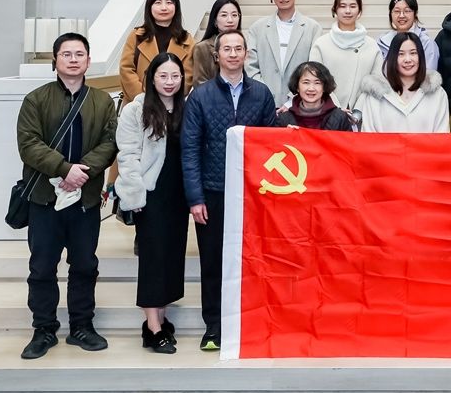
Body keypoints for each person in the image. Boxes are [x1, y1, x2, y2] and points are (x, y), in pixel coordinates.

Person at [16, 32, 118, 360]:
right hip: (45, 199)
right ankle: (43, 329)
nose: (73, 60)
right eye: (66, 54)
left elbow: (110, 143)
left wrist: (81, 172)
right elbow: (28, 144)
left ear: (88, 60)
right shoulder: (36, 99)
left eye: (79, 54)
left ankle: (81, 326)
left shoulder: (102, 102)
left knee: (85, 264)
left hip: (85, 199)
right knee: (42, 266)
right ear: (55, 60)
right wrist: (63, 169)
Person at [182, 29, 278, 351]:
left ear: (246, 54)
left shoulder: (261, 94)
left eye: (239, 49)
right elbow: (190, 150)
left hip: (252, 193)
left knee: (252, 261)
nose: (233, 54)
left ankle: (251, 323)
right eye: (227, 49)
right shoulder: (200, 96)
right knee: (213, 262)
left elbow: (271, 144)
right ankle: (214, 326)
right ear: (217, 55)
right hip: (213, 192)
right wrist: (195, 198)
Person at [115, 52, 189, 354]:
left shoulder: (186, 107)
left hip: (179, 194)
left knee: (171, 255)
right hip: (150, 195)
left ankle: (161, 317)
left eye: (175, 76)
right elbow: (127, 155)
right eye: (163, 76)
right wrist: (134, 195)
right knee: (153, 258)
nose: (169, 82)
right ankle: (152, 327)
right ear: (151, 78)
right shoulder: (135, 110)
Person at [246, 0, 322, 106]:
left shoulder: (313, 28)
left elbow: (314, 69)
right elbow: (250, 67)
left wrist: (293, 99)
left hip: (300, 104)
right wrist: (265, 94)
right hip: (262, 102)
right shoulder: (257, 28)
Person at [354, 32, 450, 133]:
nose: (407, 60)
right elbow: (369, 138)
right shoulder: (375, 96)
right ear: (392, 58)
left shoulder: (438, 94)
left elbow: (442, 136)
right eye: (401, 54)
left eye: (413, 53)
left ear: (421, 56)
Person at [119, 0, 195, 102]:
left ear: (176, 7)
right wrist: (144, 98)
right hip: (138, 104)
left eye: (169, 2)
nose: (164, 8)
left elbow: (188, 76)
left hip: (172, 105)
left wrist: (166, 99)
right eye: (158, 3)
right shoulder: (136, 36)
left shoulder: (186, 39)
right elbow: (126, 69)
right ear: (149, 7)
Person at [310, 0, 382, 109]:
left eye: (353, 6)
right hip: (327, 111)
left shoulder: (371, 45)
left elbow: (377, 82)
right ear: (335, 10)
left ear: (359, 12)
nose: (348, 11)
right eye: (342, 6)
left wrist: (358, 110)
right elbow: (315, 80)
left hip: (363, 111)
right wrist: (336, 109)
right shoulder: (321, 44)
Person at [274, 61, 356, 131]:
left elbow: (348, 144)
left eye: (317, 83)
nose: (311, 88)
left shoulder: (340, 117)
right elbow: (275, 144)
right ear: (297, 87)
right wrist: (287, 136)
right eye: (306, 82)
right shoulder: (283, 119)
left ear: (324, 87)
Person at [377, 0, 440, 72]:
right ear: (390, 14)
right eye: (397, 11)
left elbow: (428, 75)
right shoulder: (382, 43)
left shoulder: (427, 43)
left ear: (415, 14)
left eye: (407, 11)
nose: (401, 15)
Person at [193, 0, 242, 88]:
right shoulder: (202, 48)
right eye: (224, 15)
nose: (230, 20)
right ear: (215, 20)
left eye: (234, 15)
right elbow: (200, 83)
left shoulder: (245, 45)